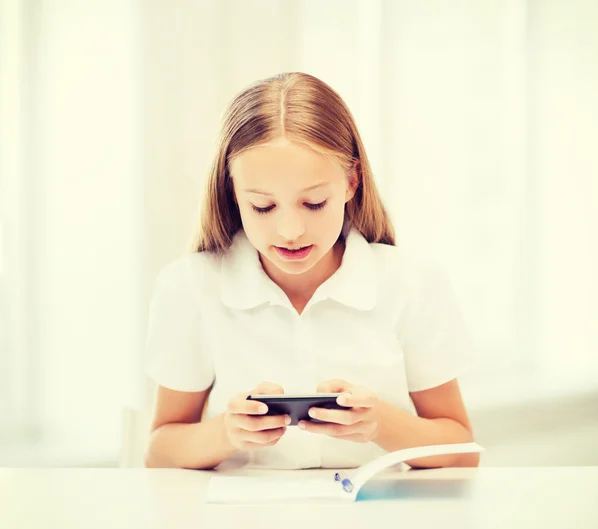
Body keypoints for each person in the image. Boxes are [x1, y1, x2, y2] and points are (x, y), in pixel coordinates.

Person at [143, 72, 479, 471]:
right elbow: (159, 452)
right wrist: (226, 433)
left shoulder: (413, 284)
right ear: (233, 193)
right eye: (263, 207)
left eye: (315, 203)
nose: (290, 232)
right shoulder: (189, 287)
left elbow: (460, 450)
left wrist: (379, 424)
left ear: (352, 181)